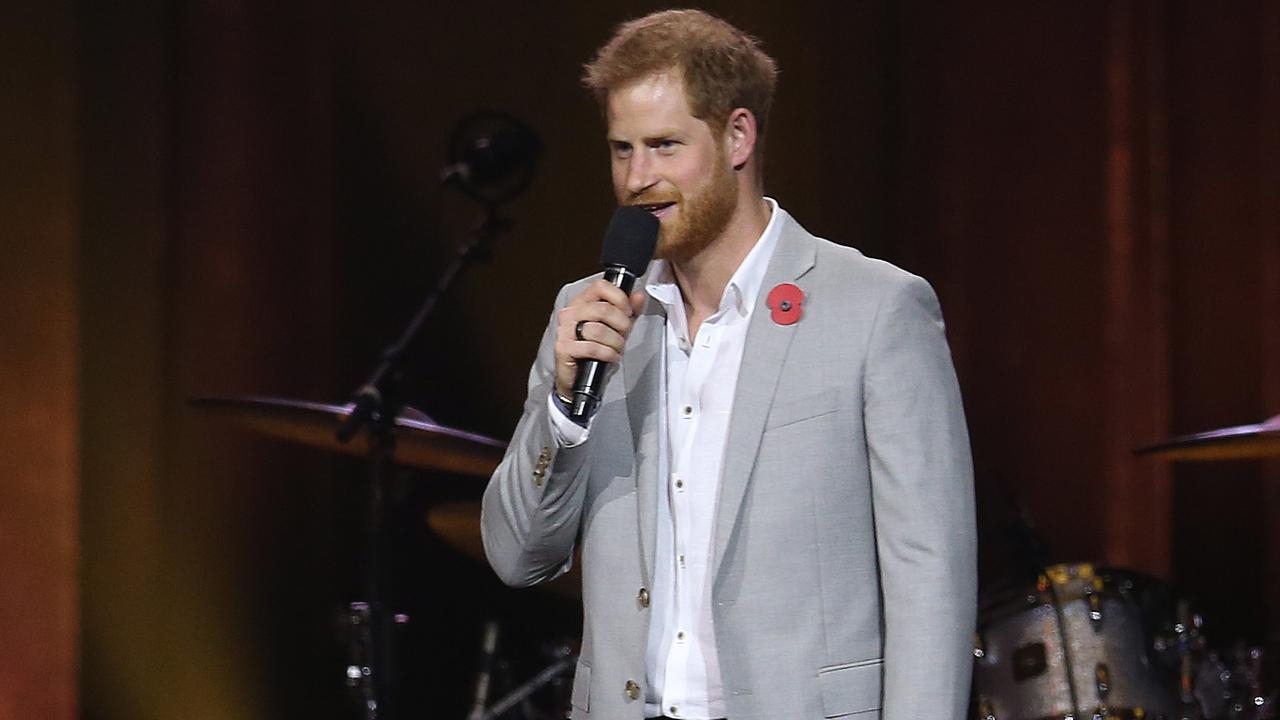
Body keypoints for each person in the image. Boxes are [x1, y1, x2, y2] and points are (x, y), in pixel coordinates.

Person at [481, 9, 976, 720]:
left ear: (738, 135)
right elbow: (517, 555)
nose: (638, 178)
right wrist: (561, 413)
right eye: (622, 150)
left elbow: (930, 577)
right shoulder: (592, 318)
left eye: (664, 146)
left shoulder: (875, 310)